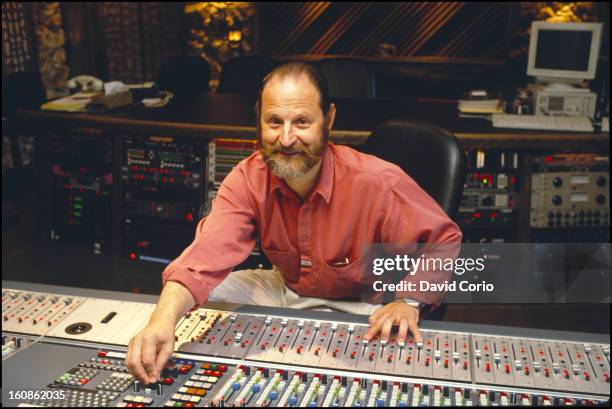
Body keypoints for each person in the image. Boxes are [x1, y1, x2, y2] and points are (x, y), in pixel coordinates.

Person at [125, 62, 462, 384]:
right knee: (191, 301)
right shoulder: (247, 176)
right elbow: (205, 255)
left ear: (328, 119)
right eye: (274, 122)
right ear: (259, 120)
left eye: (301, 122)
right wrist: (162, 320)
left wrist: (408, 301)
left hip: (365, 301)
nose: (286, 139)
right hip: (284, 287)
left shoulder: (377, 180)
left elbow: (444, 238)